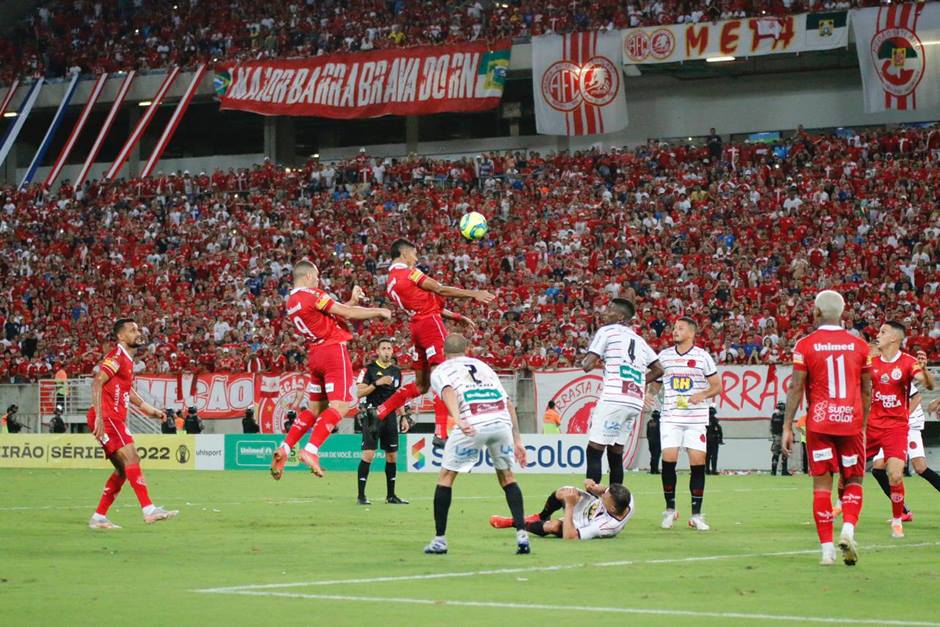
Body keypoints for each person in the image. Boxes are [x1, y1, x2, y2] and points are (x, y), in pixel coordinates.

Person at [270, 260, 391, 479]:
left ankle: (285, 449)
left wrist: (352, 301)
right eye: (316, 277)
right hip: (333, 351)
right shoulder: (311, 294)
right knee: (342, 405)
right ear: (307, 277)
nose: (318, 281)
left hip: (316, 355)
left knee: (315, 409)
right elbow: (347, 313)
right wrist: (379, 311)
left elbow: (332, 315)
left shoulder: (292, 301)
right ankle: (311, 450)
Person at [368, 239, 490, 446]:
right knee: (443, 376)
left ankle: (380, 411)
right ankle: (441, 433)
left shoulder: (390, 282)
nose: (416, 259)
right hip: (430, 325)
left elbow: (423, 302)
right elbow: (439, 290)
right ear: (405, 254)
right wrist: (473, 294)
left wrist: (457, 317)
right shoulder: (411, 273)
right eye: (414, 254)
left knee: (421, 385)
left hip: (416, 328)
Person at [781, 290, 871, 566]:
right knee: (854, 480)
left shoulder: (805, 345)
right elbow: (867, 389)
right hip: (851, 423)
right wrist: (863, 424)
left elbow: (796, 388)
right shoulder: (860, 346)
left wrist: (787, 426)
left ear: (817, 312)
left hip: (819, 423)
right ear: (842, 313)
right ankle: (848, 529)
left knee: (822, 486)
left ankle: (827, 552)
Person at [423, 334, 529, 556]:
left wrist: (458, 418)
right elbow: (508, 402)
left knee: (446, 478)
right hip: (501, 422)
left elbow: (448, 391)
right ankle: (522, 535)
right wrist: (518, 440)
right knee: (508, 478)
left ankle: (440, 540)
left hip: (473, 422)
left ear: (444, 352)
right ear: (467, 349)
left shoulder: (441, 370)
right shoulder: (482, 366)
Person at [87, 318, 177, 529]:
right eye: (132, 330)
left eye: (137, 329)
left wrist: (152, 411)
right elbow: (97, 381)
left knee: (122, 470)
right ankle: (148, 510)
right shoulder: (117, 356)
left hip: (112, 418)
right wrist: (100, 416)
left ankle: (99, 517)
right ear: (120, 336)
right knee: (132, 457)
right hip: (108, 417)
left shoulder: (127, 360)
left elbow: (130, 394)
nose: (137, 333)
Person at [646, 317, 722, 531]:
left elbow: (717, 386)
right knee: (668, 459)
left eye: (680, 328)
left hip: (696, 418)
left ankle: (697, 515)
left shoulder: (702, 357)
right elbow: (656, 384)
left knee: (697, 462)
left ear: (691, 332)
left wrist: (703, 394)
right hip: (670, 416)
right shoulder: (665, 356)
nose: (675, 331)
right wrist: (649, 394)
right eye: (674, 328)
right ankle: (670, 510)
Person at [581, 298, 663, 487]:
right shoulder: (640, 341)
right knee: (616, 453)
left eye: (609, 310)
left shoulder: (607, 331)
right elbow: (659, 369)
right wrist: (641, 381)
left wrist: (585, 361)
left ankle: (591, 506)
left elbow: (587, 365)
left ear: (620, 316)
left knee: (595, 450)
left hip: (614, 398)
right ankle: (616, 505)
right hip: (633, 401)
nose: (604, 313)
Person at [865, 322, 933, 538]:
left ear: (894, 338)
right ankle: (841, 507)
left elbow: (924, 388)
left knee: (907, 471)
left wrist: (924, 370)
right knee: (862, 468)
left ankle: (899, 518)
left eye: (882, 332)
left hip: (900, 425)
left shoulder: (906, 363)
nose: (878, 335)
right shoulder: (872, 363)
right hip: (876, 425)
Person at [355, 338, 410, 505]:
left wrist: (403, 416)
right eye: (384, 348)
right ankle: (361, 496)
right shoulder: (368, 370)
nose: (387, 351)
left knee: (392, 456)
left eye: (389, 348)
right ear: (377, 351)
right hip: (373, 415)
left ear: (392, 352)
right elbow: (359, 393)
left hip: (390, 416)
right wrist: (376, 383)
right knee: (369, 455)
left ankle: (391, 496)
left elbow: (398, 397)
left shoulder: (396, 371)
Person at [490, 479, 633, 540]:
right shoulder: (626, 497)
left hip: (584, 523)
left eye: (605, 497)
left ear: (613, 508)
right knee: (563, 491)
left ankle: (513, 522)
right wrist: (593, 487)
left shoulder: (605, 526)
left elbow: (570, 537)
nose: (604, 495)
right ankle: (542, 515)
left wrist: (569, 506)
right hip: (590, 506)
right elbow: (604, 490)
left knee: (552, 526)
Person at [770, 401, 790, 476]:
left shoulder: (774, 415)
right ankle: (784, 471)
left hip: (775, 437)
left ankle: (773, 471)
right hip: (783, 437)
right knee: (784, 453)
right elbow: (787, 427)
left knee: (775, 454)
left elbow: (771, 427)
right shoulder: (784, 416)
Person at [705, 408, 723, 475]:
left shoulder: (705, 421)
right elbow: (720, 431)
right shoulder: (715, 421)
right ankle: (713, 470)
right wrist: (720, 440)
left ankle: (707, 470)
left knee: (707, 456)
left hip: (707, 441)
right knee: (714, 456)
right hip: (714, 441)